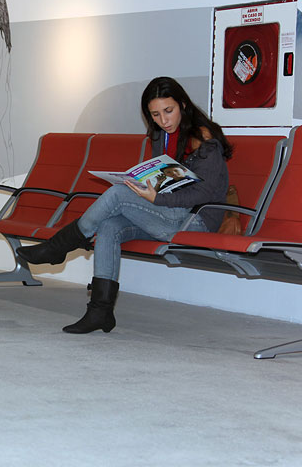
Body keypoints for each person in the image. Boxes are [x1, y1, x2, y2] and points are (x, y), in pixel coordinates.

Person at [17, 77, 232, 334]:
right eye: (155, 115)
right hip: (166, 215)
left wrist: (156, 198)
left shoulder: (205, 140)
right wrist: (147, 186)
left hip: (194, 221)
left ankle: (59, 246)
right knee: (109, 225)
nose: (164, 120)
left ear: (183, 105)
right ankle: (100, 312)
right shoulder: (161, 135)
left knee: (118, 194)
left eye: (169, 111)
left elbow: (204, 192)